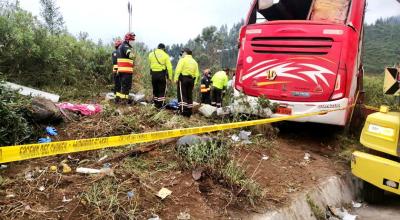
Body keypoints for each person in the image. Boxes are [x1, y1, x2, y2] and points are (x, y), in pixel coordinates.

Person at [174, 48, 200, 117]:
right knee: (189, 96)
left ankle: (182, 111)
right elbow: (197, 74)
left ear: (185, 53)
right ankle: (189, 112)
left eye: (183, 52)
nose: (182, 54)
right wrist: (194, 83)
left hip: (183, 79)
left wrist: (176, 78)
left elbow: (178, 70)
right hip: (191, 80)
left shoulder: (182, 60)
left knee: (182, 95)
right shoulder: (195, 62)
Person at [148, 43, 173, 108]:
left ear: (157, 47)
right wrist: (170, 77)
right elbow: (169, 67)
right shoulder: (166, 55)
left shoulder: (151, 54)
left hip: (153, 74)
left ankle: (156, 103)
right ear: (163, 48)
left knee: (155, 89)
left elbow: (150, 64)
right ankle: (160, 104)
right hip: (161, 74)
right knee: (162, 89)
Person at [116, 32, 136, 104]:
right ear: (128, 40)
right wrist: (134, 55)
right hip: (126, 71)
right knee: (126, 87)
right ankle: (124, 102)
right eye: (132, 40)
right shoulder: (125, 46)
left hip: (123, 70)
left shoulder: (121, 46)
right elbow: (130, 54)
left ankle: (123, 101)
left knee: (124, 87)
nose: (133, 42)